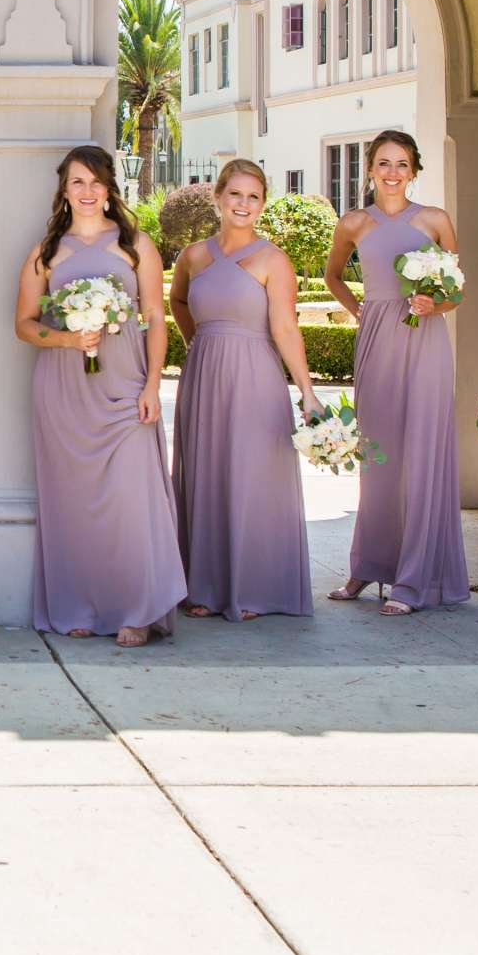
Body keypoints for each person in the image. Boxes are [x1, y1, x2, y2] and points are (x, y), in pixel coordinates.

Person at [13, 144, 184, 645]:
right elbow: (23, 325)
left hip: (126, 386)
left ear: (109, 188)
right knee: (76, 504)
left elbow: (155, 318)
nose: (86, 192)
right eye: (76, 183)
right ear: (64, 192)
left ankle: (138, 610)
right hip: (63, 392)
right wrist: (69, 338)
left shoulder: (135, 246)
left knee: (133, 502)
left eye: (95, 182)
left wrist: (153, 384)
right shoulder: (46, 252)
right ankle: (79, 604)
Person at [167, 157, 323, 621]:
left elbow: (286, 328)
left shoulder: (274, 259)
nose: (243, 204)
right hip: (203, 375)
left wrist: (308, 392)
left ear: (262, 205)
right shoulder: (193, 255)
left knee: (250, 477)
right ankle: (205, 587)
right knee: (206, 473)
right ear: (217, 198)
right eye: (235, 194)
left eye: (253, 197)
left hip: (254, 376)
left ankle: (252, 589)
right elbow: (177, 300)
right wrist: (198, 340)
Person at [325, 129, 468, 615]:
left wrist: (435, 304)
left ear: (414, 170)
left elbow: (458, 290)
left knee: (423, 458)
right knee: (378, 457)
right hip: (377, 339)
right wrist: (360, 310)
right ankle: (367, 566)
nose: (392, 172)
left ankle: (414, 580)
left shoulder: (435, 220)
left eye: (402, 164)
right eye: (384, 163)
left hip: (425, 342)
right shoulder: (353, 223)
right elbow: (332, 275)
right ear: (369, 169)